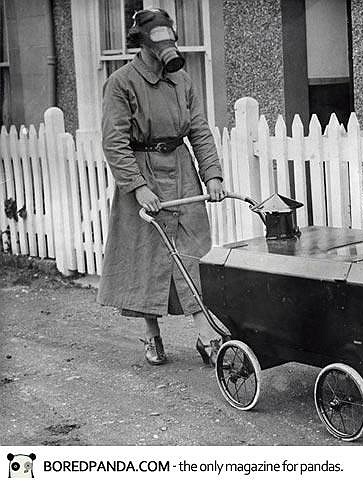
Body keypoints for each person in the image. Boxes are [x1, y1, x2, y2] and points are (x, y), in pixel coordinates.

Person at [97, 7, 227, 366]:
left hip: (182, 168)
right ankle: (151, 334)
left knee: (194, 251)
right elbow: (115, 143)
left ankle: (206, 334)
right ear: (142, 43)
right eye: (158, 40)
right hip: (143, 172)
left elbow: (199, 129)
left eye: (170, 39)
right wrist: (138, 188)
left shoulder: (182, 80)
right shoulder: (121, 83)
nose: (166, 47)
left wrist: (212, 174)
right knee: (145, 256)